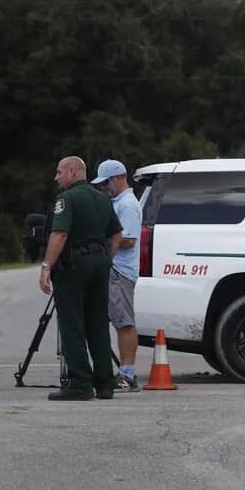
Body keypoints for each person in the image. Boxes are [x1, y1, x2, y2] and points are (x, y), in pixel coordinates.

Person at [38, 156, 122, 401]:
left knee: (72, 322)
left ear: (73, 172)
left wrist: (46, 266)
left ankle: (80, 383)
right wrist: (105, 257)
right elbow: (116, 234)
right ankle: (105, 383)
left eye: (59, 172)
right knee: (98, 322)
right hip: (100, 264)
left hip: (74, 265)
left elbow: (60, 234)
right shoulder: (103, 198)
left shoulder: (66, 199)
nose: (56, 178)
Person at [91, 159, 142, 392]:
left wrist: (99, 239)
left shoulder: (127, 205)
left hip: (121, 271)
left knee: (124, 323)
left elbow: (129, 240)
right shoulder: (117, 202)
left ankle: (127, 374)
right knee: (118, 322)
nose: (104, 187)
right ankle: (122, 371)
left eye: (107, 182)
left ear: (119, 177)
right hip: (114, 270)